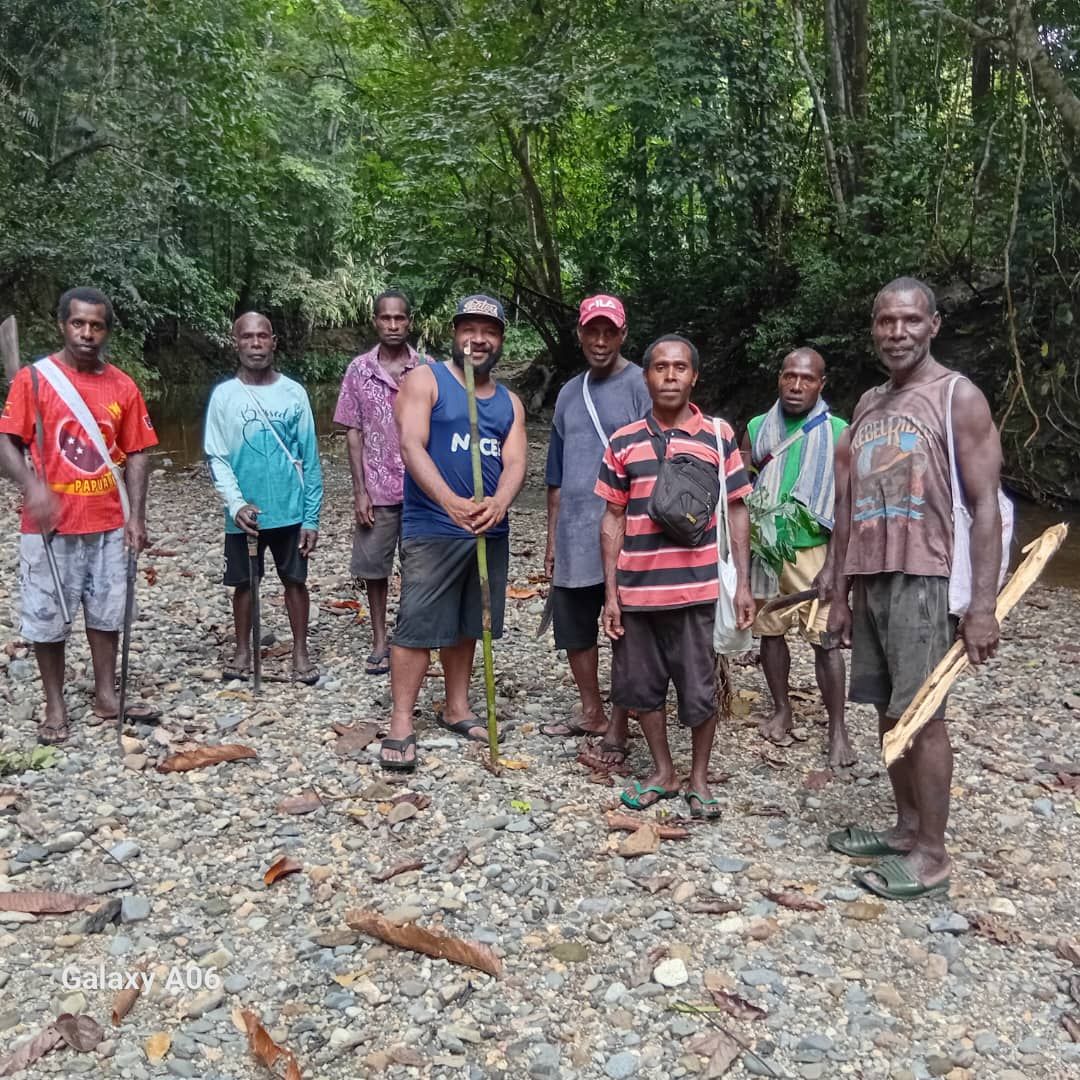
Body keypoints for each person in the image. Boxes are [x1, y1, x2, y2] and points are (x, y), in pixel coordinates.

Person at [826, 277, 1003, 900]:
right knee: (886, 706)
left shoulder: (958, 397)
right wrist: (837, 590)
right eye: (885, 322)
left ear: (933, 325)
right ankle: (905, 828)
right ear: (874, 327)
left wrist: (982, 606)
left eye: (909, 321)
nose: (896, 332)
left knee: (923, 715)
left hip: (926, 577)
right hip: (870, 577)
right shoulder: (871, 403)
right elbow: (846, 505)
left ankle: (933, 852)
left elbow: (985, 508)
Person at [597, 334, 754, 819]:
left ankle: (700, 779)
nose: (670, 375)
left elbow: (737, 510)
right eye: (660, 367)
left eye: (679, 367)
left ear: (694, 376)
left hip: (696, 590)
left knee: (699, 689)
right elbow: (612, 518)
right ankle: (664, 771)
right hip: (638, 591)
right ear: (646, 377)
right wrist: (611, 594)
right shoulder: (623, 441)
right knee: (640, 688)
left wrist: (743, 582)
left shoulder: (718, 436)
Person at [0, 287, 159, 744]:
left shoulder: (122, 385)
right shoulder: (32, 381)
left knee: (108, 613)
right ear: (62, 325)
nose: (87, 333)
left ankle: (107, 695)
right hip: (50, 525)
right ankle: (54, 702)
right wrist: (31, 487)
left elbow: (139, 453)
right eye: (78, 323)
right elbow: (6, 440)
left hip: (109, 519)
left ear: (106, 330)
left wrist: (138, 517)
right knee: (47, 618)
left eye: (96, 325)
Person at [380, 294, 527, 771]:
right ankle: (401, 721)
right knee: (419, 623)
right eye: (469, 329)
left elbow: (516, 461)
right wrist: (450, 501)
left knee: (470, 623)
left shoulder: (510, 402)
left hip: (488, 530)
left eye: (488, 331)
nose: (478, 339)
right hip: (434, 527)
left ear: (501, 339)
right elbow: (411, 444)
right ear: (454, 333)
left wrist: (499, 503)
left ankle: (457, 707)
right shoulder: (426, 379)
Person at [541, 295, 651, 765]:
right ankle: (591, 710)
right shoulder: (568, 392)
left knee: (625, 628)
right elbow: (556, 474)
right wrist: (551, 538)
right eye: (592, 331)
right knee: (573, 627)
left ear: (623, 335)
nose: (600, 341)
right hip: (574, 530)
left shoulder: (641, 385)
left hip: (627, 530)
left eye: (610, 332)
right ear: (581, 334)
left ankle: (622, 723)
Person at [742, 348, 854, 766]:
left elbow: (846, 505)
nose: (796, 385)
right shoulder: (756, 427)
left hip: (813, 549)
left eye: (807, 379)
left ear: (821, 384)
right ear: (779, 379)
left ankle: (838, 730)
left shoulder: (841, 431)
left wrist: (835, 569)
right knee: (771, 634)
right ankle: (781, 708)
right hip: (767, 549)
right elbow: (742, 487)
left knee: (826, 643)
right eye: (789, 376)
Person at [204, 312, 324, 685]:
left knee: (295, 581)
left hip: (289, 510)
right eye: (247, 337)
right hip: (244, 515)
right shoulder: (223, 396)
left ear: (273, 341)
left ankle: (300, 652)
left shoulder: (293, 393)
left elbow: (310, 456)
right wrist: (236, 504)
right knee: (244, 584)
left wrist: (311, 517)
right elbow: (217, 456)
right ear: (236, 342)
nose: (255, 344)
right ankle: (242, 650)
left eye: (262, 337)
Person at [334, 289, 427, 676]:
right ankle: (378, 639)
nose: (393, 325)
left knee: (419, 566)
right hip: (377, 487)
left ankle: (407, 636)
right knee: (374, 568)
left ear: (409, 322)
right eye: (386, 318)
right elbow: (352, 431)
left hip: (421, 489)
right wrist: (359, 491)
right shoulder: (359, 369)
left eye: (399, 318)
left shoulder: (427, 369)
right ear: (375, 321)